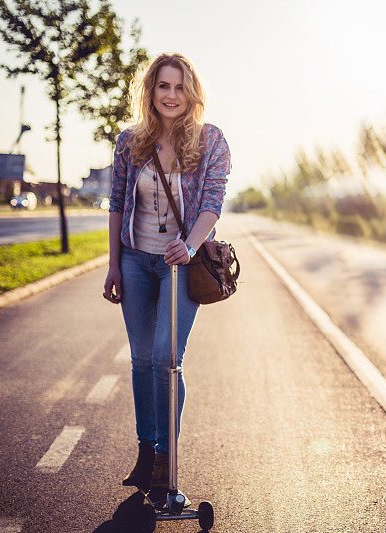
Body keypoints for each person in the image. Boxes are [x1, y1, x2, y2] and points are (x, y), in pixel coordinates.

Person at [102, 53, 231, 506]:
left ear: (191, 92)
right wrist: (114, 264)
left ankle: (165, 457)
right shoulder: (129, 142)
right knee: (140, 360)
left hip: (181, 263)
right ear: (150, 92)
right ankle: (145, 449)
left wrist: (191, 245)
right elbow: (116, 202)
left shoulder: (210, 141)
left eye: (179, 87)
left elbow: (213, 200)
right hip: (136, 260)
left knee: (165, 357)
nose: (171, 95)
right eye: (163, 86)